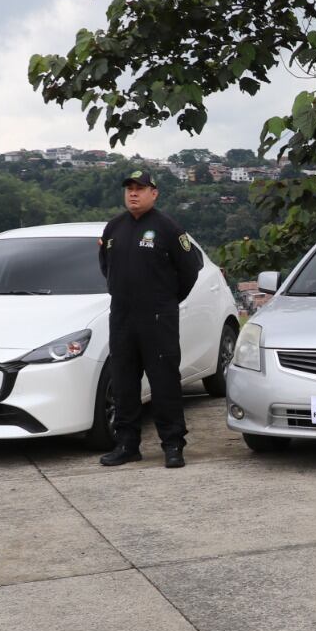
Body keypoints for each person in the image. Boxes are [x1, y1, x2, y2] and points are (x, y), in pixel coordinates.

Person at [97, 168, 204, 468]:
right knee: (124, 383)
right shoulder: (113, 228)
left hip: (158, 317)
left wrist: (167, 301)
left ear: (154, 193)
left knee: (164, 382)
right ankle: (127, 444)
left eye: (140, 188)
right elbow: (107, 267)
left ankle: (172, 445)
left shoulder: (168, 228)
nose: (133, 193)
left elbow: (189, 271)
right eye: (129, 188)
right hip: (122, 317)